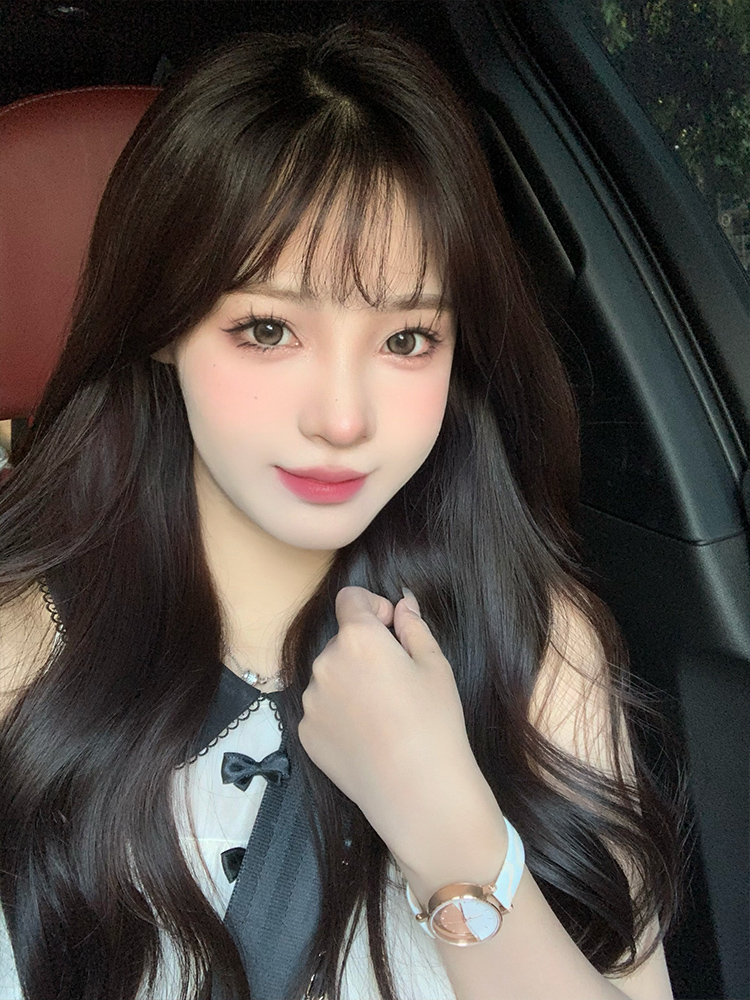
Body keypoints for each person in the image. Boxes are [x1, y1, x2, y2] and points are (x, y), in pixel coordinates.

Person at [0, 20, 687, 1000]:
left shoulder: (532, 646)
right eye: (267, 328)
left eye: (407, 339)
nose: (342, 418)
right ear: (161, 322)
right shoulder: (20, 657)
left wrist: (447, 826)